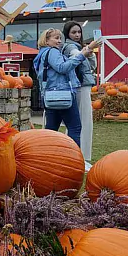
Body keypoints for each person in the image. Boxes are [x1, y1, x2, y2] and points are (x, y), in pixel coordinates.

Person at [33, 28, 100, 147]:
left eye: (60, 38)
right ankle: (74, 159)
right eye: (56, 38)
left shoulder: (42, 54)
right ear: (46, 40)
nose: (59, 41)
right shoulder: (52, 52)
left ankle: (46, 156)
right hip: (62, 94)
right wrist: (82, 55)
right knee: (75, 127)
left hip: (50, 95)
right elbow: (62, 67)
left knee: (51, 130)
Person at [62, 21, 98, 161]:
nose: (77, 35)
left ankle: (77, 154)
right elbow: (76, 55)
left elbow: (91, 66)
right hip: (79, 86)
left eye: (79, 32)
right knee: (83, 121)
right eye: (73, 32)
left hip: (83, 85)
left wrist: (88, 52)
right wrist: (87, 50)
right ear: (67, 34)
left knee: (78, 122)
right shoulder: (70, 46)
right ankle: (81, 156)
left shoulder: (80, 47)